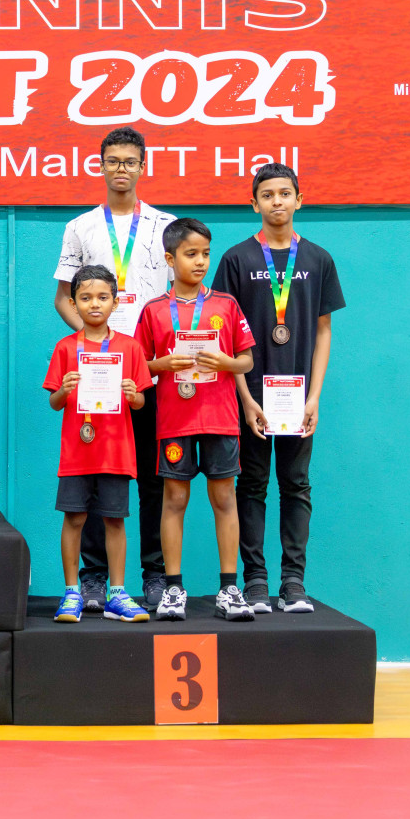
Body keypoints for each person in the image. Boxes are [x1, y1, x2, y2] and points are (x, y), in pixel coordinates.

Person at [211, 164, 344, 613]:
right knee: (250, 486)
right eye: (267, 195)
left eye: (285, 194)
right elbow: (223, 334)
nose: (277, 202)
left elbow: (323, 332)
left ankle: (293, 584)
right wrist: (244, 398)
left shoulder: (319, 260)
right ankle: (255, 583)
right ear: (255, 204)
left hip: (297, 400)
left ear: (299, 200)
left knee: (296, 486)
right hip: (248, 399)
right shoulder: (236, 259)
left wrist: (314, 397)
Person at [52, 127, 175, 610]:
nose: (121, 168)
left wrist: (145, 355)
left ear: (143, 166)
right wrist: (90, 346)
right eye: (113, 161)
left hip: (149, 373)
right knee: (92, 469)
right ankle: (94, 578)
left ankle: (152, 575)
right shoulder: (80, 227)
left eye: (130, 161)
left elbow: (173, 299)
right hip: (97, 376)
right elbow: (64, 298)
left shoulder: (166, 227)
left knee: (149, 477)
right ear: (100, 166)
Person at [134, 218, 256, 622]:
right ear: (170, 259)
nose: (201, 261)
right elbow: (139, 366)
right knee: (174, 500)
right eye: (191, 254)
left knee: (224, 499)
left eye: (205, 253)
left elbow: (246, 359)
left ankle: (229, 588)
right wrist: (162, 363)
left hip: (221, 418)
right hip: (175, 421)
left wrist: (226, 361)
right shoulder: (153, 311)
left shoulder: (226, 305)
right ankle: (172, 588)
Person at [44, 266, 153, 624]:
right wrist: (65, 389)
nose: (95, 304)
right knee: (74, 519)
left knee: (115, 521)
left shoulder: (130, 347)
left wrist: (133, 394)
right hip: (77, 452)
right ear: (73, 303)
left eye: (103, 297)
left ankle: (118, 594)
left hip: (115, 452)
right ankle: (72, 591)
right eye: (86, 298)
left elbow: (139, 403)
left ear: (115, 302)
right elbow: (54, 402)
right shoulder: (65, 348)